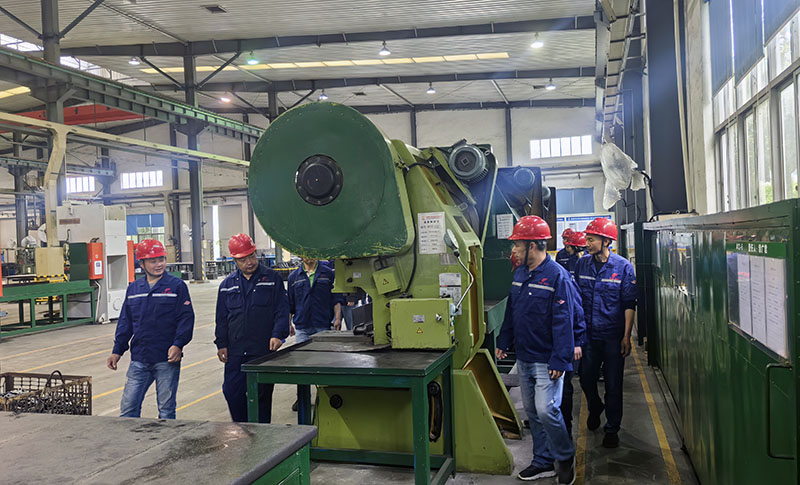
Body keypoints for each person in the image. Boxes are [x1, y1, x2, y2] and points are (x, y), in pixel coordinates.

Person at [496, 215, 576, 484]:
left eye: (517, 245)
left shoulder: (557, 276)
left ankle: (564, 456)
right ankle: (543, 461)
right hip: (525, 356)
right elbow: (512, 311)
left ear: (532, 245)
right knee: (532, 412)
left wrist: (560, 359)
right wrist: (504, 341)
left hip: (547, 359)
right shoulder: (520, 273)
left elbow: (564, 320)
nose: (514, 250)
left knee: (546, 410)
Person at [107, 239, 194, 419]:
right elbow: (126, 322)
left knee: (166, 410)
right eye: (153, 261)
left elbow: (186, 319)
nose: (159, 264)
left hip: (166, 359)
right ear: (142, 264)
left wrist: (178, 344)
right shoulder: (134, 289)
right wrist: (117, 351)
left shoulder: (176, 286)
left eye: (161, 259)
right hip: (140, 358)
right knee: (128, 409)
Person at [574, 218, 637, 449]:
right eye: (587, 238)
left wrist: (626, 336)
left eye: (591, 239)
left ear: (606, 241)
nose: (587, 243)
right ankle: (594, 406)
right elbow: (576, 299)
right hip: (588, 336)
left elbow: (629, 303)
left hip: (612, 336)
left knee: (613, 385)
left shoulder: (623, 267)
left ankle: (612, 428)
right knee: (586, 378)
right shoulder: (582, 264)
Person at [215, 234, 289, 423]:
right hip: (236, 351)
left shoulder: (272, 279)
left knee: (262, 395)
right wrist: (221, 344)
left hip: (262, 349)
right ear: (234, 260)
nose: (249, 262)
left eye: (252, 256)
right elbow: (221, 318)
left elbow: (281, 310)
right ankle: (242, 429)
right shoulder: (227, 285)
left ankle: (261, 432)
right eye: (243, 259)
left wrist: (278, 334)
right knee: (232, 392)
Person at [287, 256, 344, 343]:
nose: (309, 256)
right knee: (303, 352)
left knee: (323, 351)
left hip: (323, 324)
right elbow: (290, 303)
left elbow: (336, 298)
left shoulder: (328, 274)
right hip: (302, 327)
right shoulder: (294, 277)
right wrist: (288, 324)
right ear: (300, 256)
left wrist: (337, 319)